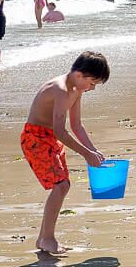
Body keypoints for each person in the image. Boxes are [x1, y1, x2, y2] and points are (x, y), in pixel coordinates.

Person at [21, 51, 109, 255]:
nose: (93, 88)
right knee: (61, 185)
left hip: (51, 138)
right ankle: (48, 238)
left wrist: (93, 150)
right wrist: (86, 154)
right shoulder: (60, 89)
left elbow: (76, 125)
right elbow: (61, 130)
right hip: (36, 139)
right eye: (92, 83)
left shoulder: (77, 89)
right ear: (79, 75)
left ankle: (43, 238)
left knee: (63, 185)